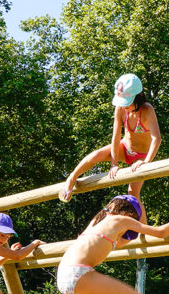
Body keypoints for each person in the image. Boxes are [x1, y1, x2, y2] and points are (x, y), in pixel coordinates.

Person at [59, 73, 162, 203]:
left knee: (132, 193)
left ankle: (142, 224)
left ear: (139, 97)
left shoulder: (147, 110)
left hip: (142, 156)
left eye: (128, 103)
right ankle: (72, 178)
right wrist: (114, 164)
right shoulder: (120, 109)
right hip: (125, 148)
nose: (125, 107)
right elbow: (116, 136)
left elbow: (156, 138)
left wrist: (146, 162)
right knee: (95, 155)